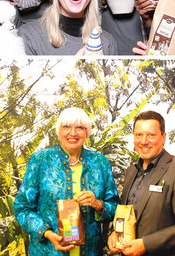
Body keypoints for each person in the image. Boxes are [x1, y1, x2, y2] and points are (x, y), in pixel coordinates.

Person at [14, 107, 119, 255]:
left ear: (87, 132)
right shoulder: (41, 160)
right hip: (47, 251)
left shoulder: (100, 162)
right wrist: (47, 233)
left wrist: (98, 204)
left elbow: (115, 207)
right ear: (59, 131)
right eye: (67, 127)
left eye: (80, 128)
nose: (73, 133)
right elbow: (22, 208)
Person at [108, 110, 175, 256]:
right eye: (139, 135)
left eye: (151, 135)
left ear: (163, 137)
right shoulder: (131, 172)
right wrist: (116, 233)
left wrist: (146, 244)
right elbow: (127, 214)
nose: (144, 141)